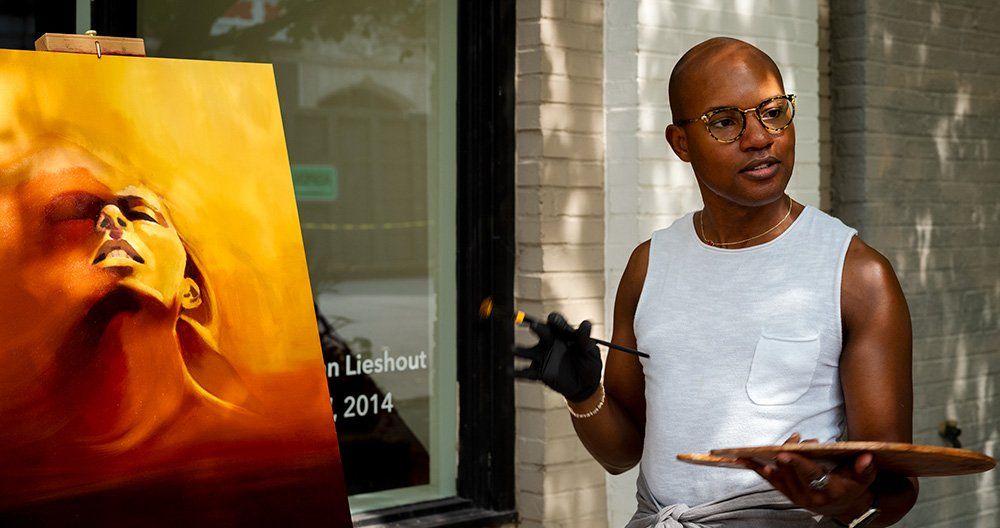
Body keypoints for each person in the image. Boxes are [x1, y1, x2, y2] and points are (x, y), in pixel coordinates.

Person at [515, 37, 917, 527]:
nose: (759, 137)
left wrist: (838, 502)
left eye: (772, 112)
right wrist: (583, 393)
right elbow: (621, 456)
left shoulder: (856, 275)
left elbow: (895, 494)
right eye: (724, 122)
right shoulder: (649, 267)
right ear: (680, 143)